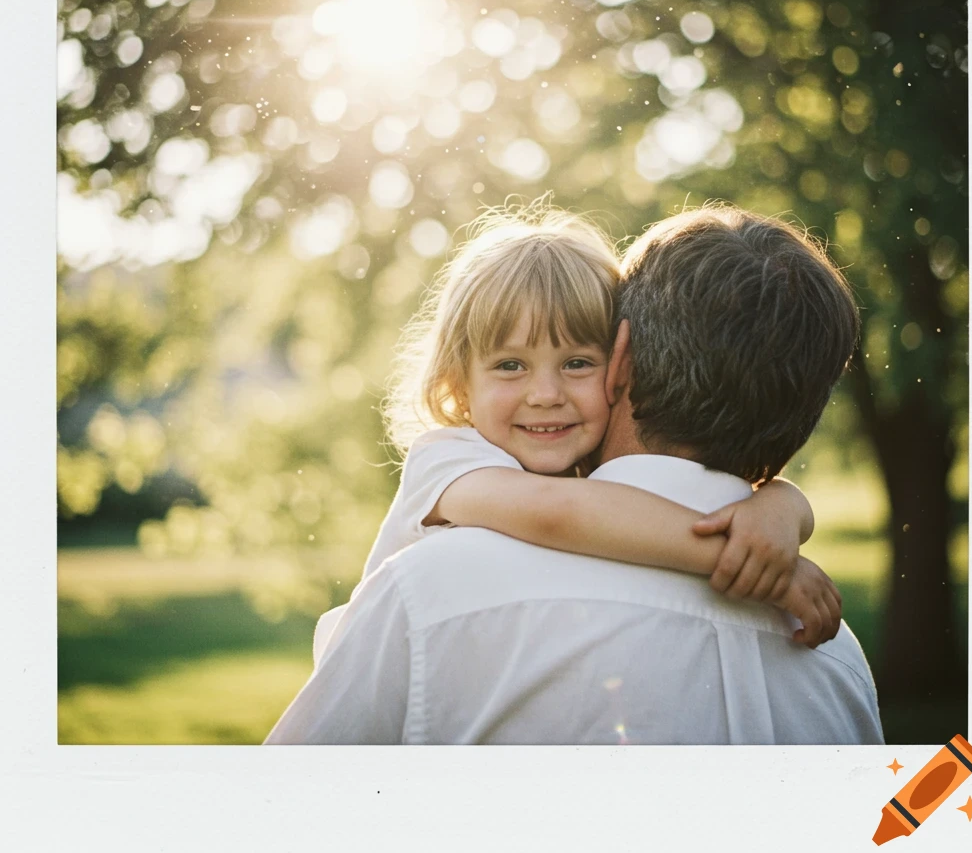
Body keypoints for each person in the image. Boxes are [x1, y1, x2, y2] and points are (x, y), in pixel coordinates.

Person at [266, 204, 883, 745]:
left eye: (576, 362)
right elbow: (555, 513)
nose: (545, 394)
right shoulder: (840, 657)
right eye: (510, 365)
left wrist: (781, 508)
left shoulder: (444, 589)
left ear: (617, 363)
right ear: (458, 384)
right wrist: (756, 554)